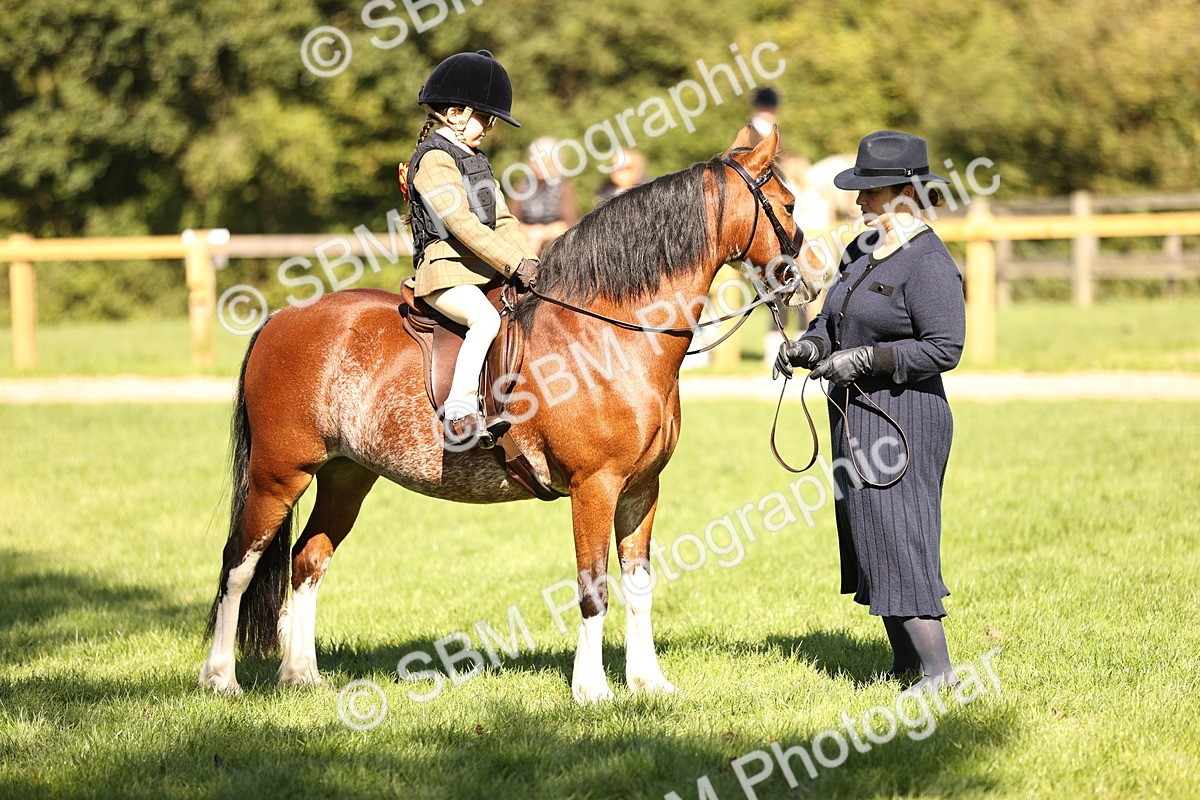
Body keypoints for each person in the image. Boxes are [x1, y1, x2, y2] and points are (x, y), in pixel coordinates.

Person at [774, 130, 966, 690]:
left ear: (902, 192)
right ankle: (906, 664)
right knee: (869, 534)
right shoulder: (860, 250)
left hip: (905, 417)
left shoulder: (928, 263)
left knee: (900, 533)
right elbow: (833, 319)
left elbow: (944, 348)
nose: (858, 202)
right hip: (855, 415)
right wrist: (811, 345)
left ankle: (939, 673)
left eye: (869, 192)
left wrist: (865, 360)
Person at [403, 50, 540, 449]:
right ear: (457, 112)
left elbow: (502, 221)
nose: (490, 128)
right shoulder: (433, 161)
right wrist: (513, 262)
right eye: (487, 118)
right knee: (484, 319)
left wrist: (531, 262)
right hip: (446, 273)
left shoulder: (476, 161)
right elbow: (461, 224)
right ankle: (461, 410)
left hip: (483, 270)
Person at [509, 137, 579, 255]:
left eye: (546, 163)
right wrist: (532, 233)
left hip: (556, 247)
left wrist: (541, 234)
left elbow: (570, 224)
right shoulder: (521, 187)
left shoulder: (564, 187)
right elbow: (511, 222)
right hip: (526, 244)